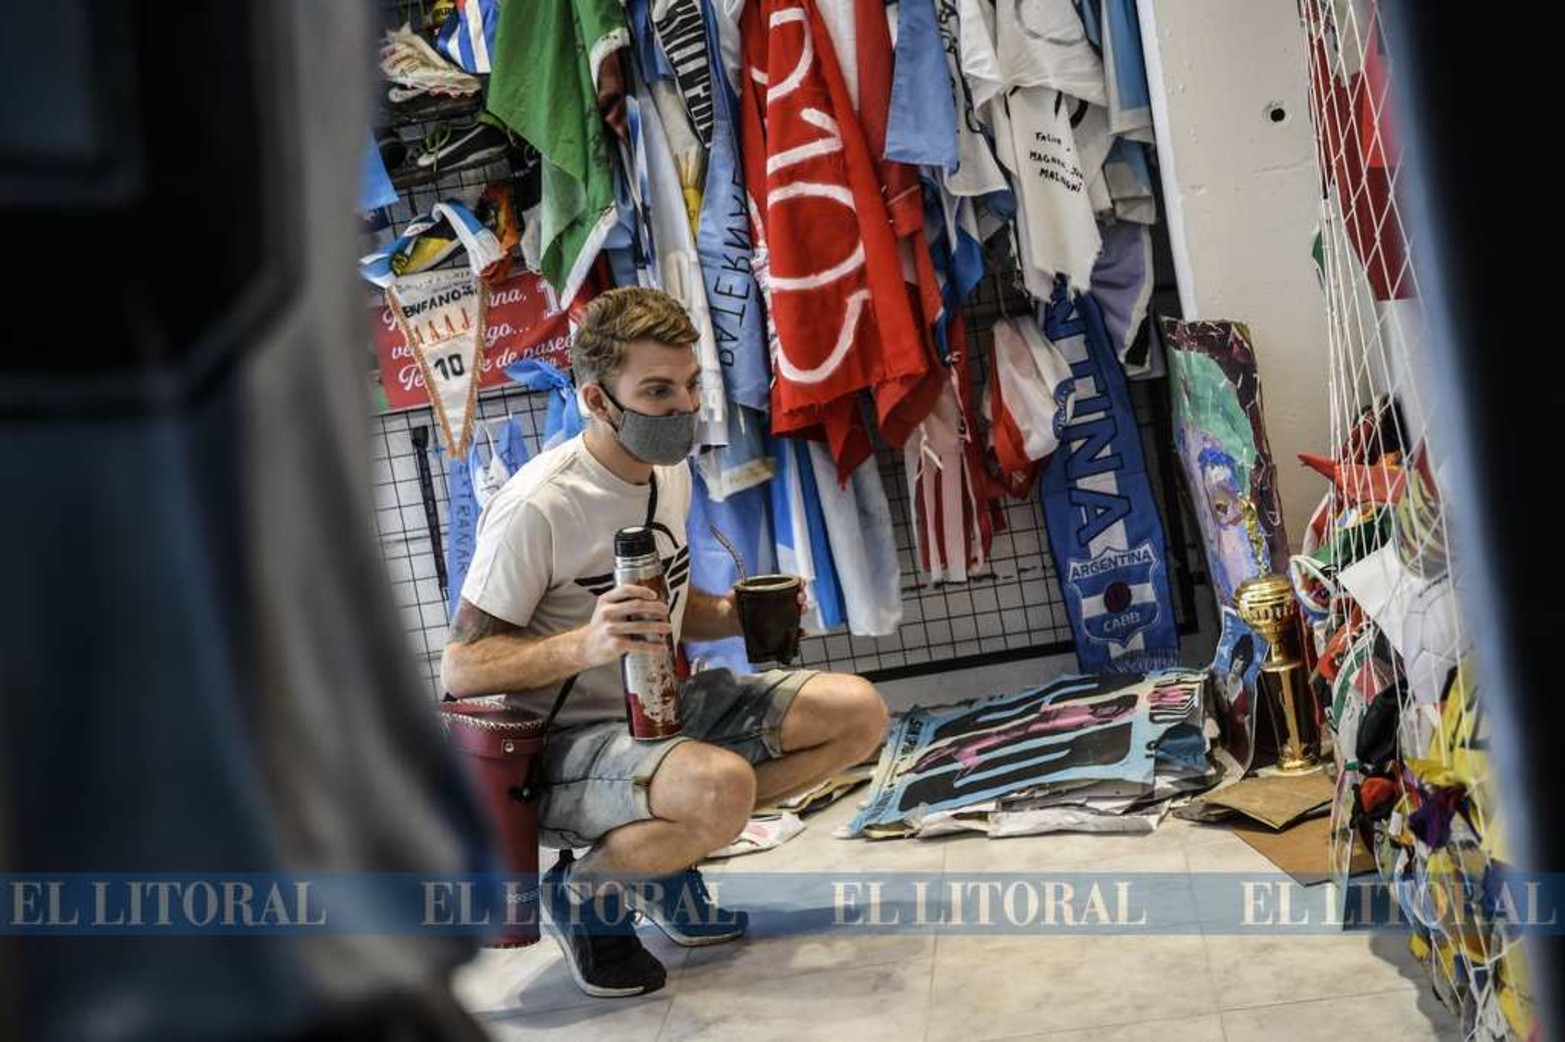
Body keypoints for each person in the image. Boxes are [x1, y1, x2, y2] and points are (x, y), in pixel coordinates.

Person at [440, 287, 889, 998]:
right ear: (596, 399)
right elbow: (460, 668)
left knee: (857, 712)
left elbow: (670, 616)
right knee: (721, 787)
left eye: (687, 385)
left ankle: (659, 857)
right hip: (561, 746)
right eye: (656, 391)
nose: (681, 407)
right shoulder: (537, 505)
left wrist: (739, 614)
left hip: (658, 710)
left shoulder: (666, 470)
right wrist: (582, 646)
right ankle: (589, 894)